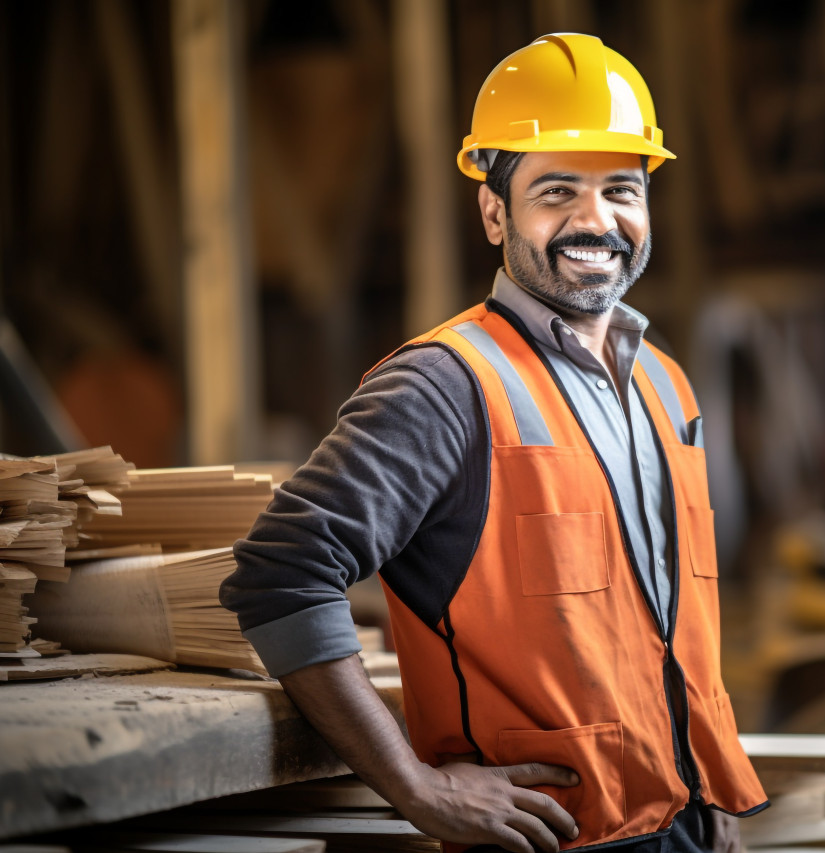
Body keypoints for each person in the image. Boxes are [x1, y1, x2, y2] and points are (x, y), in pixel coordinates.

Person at [222, 33, 767, 853]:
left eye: (622, 188)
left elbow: (664, 619)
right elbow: (280, 572)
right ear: (493, 211)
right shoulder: (444, 387)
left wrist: (703, 779)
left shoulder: (665, 382)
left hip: (684, 829)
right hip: (545, 840)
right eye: (557, 191)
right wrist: (417, 786)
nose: (596, 220)